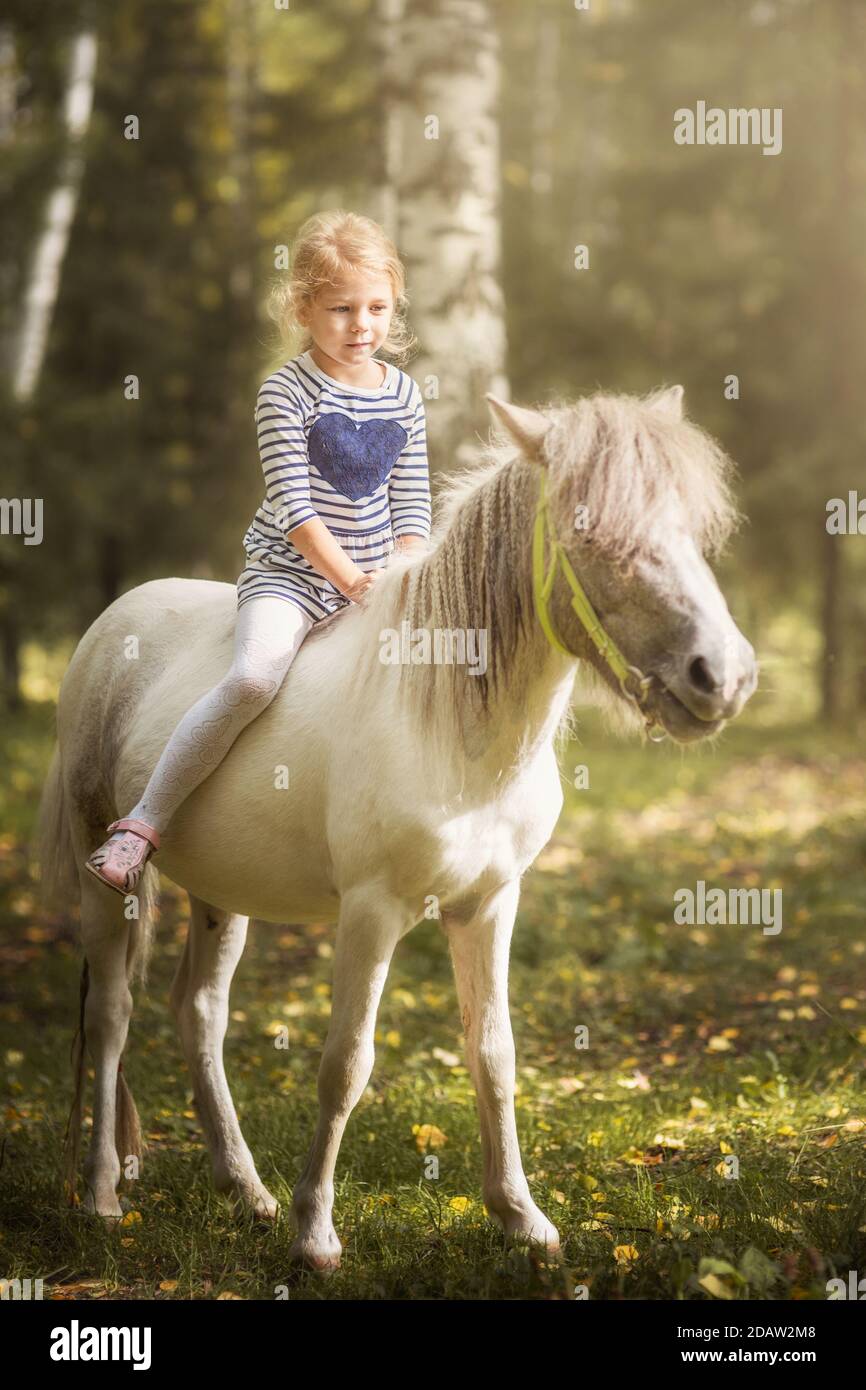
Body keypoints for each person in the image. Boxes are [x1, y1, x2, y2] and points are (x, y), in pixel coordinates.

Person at [84, 209, 432, 895]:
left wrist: (405, 567)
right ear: (302, 307)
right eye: (340, 309)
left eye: (377, 307)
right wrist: (353, 582)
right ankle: (142, 825)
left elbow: (413, 502)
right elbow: (298, 513)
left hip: (376, 581)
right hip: (293, 577)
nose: (362, 325)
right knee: (253, 678)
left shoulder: (405, 394)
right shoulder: (284, 392)